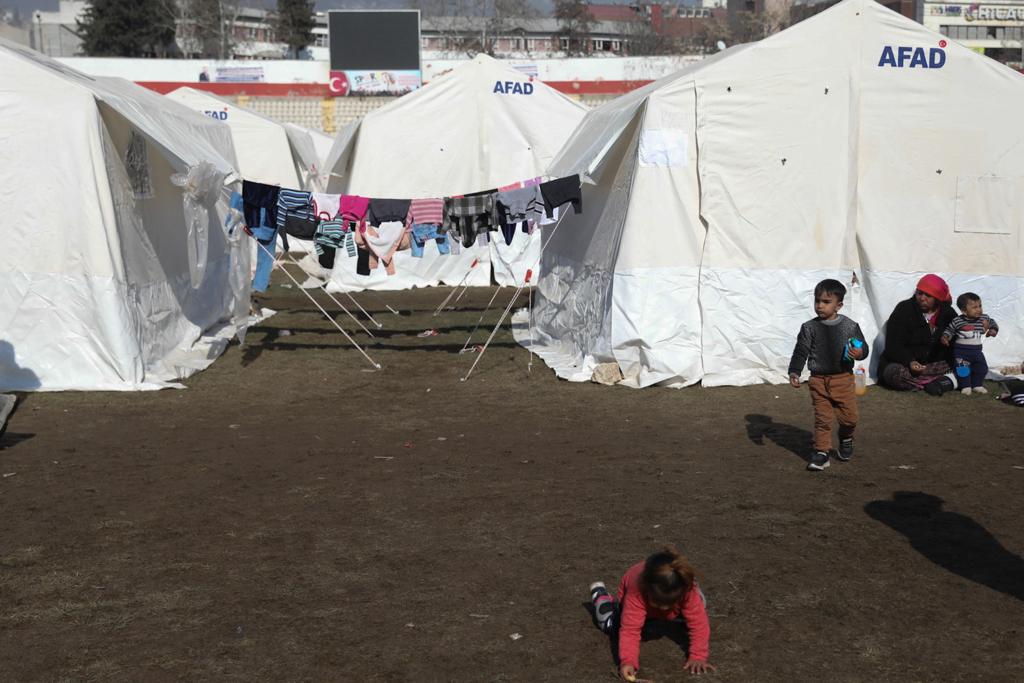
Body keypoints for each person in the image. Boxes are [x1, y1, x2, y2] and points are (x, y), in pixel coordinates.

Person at [589, 546, 714, 679]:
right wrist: (628, 662)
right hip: (637, 602)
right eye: (659, 603)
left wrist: (698, 655)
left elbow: (699, 623)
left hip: (677, 597)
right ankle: (601, 597)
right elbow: (630, 630)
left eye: (669, 603)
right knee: (612, 626)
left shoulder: (686, 588)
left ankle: (683, 606)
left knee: (697, 607)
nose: (665, 608)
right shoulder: (636, 592)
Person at [787, 279, 868, 471]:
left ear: (838, 305)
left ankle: (846, 437)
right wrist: (794, 371)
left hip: (844, 379)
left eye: (825, 302)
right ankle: (822, 453)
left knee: (850, 419)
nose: (819, 306)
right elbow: (801, 351)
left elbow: (862, 346)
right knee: (823, 419)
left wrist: (860, 352)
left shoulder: (850, 326)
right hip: (818, 380)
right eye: (817, 301)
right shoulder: (809, 327)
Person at [879, 274, 957, 394]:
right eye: (919, 293)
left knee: (963, 364)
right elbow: (893, 344)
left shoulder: (948, 313)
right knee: (893, 372)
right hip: (906, 365)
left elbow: (958, 339)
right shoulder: (904, 309)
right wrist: (910, 361)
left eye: (928, 295)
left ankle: (926, 382)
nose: (922, 298)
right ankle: (943, 382)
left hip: (933, 365)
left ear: (937, 298)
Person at [941, 292, 999, 395]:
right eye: (974, 307)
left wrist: (993, 330)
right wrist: (946, 337)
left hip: (977, 351)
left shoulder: (983, 318)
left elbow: (993, 323)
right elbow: (949, 330)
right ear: (964, 310)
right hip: (961, 352)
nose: (979, 309)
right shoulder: (958, 321)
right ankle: (965, 386)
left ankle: (977, 385)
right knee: (963, 370)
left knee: (982, 368)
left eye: (980, 306)